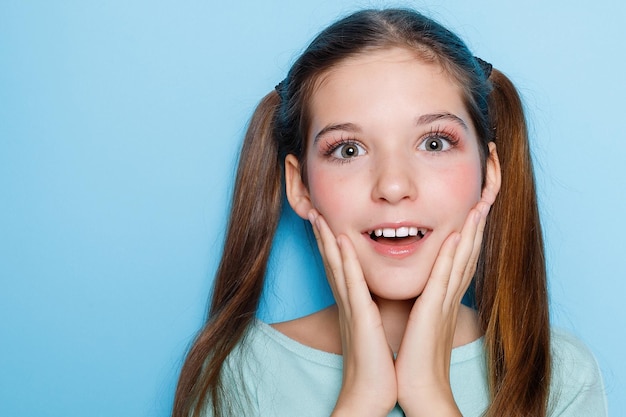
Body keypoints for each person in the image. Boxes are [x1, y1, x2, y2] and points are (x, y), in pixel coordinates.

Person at [172, 8, 607, 417]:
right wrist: (361, 400)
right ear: (299, 185)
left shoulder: (560, 375)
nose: (393, 186)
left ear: (489, 171)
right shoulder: (235, 375)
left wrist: (430, 395)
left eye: (434, 143)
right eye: (348, 149)